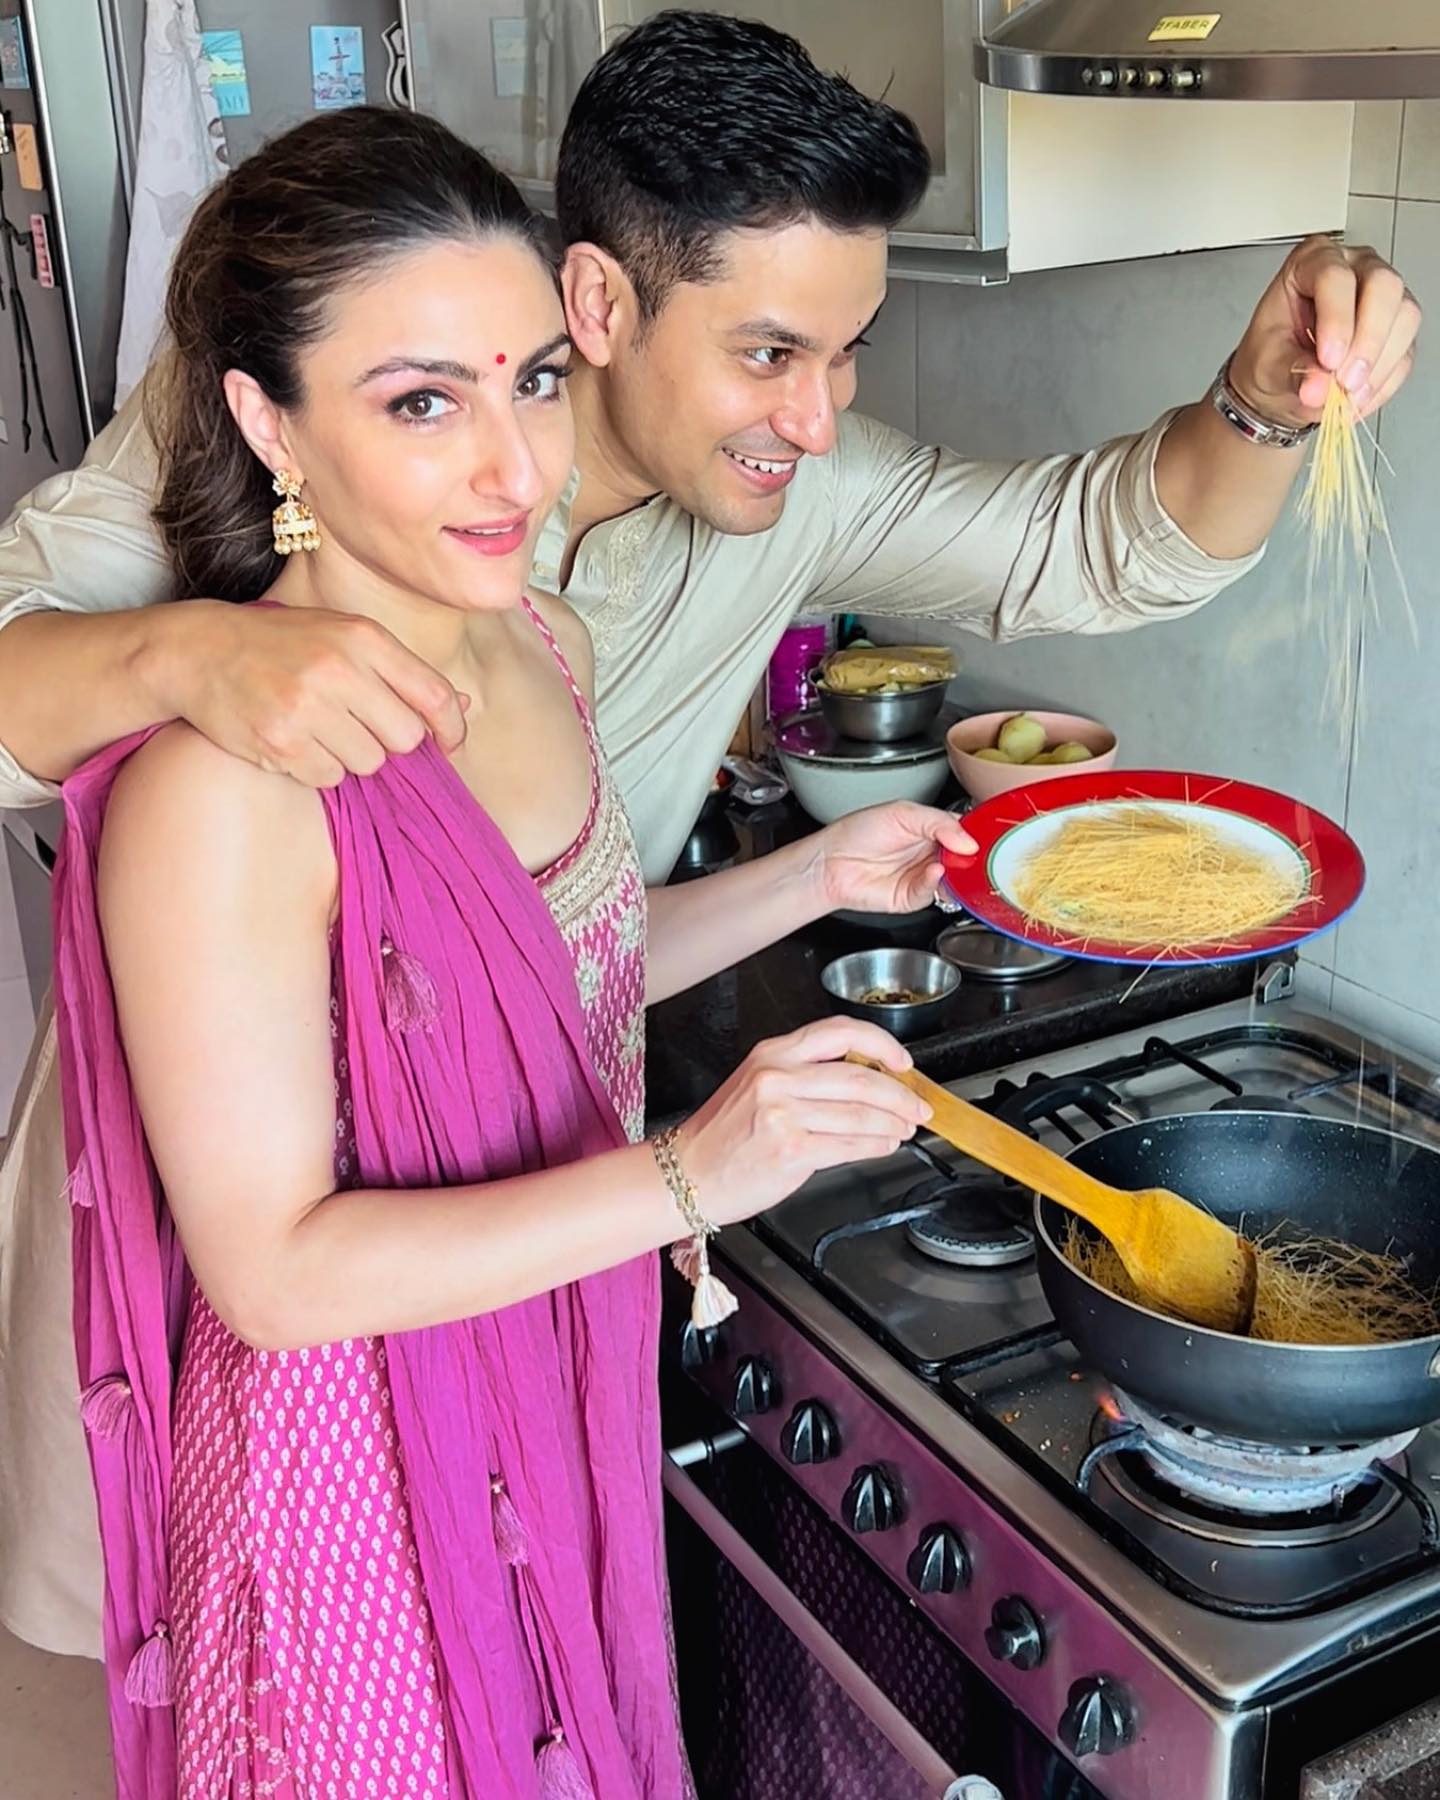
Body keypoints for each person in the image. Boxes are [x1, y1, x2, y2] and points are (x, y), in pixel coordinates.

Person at [0, 9, 1422, 1662]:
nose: (815, 420)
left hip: (521, 1247)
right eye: (767, 353)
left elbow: (1100, 544)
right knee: (227, 1654)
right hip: (246, 1224)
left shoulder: (729, 523)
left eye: (848, 353)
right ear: (600, 303)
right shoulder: (328, 416)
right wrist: (186, 654)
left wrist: (1262, 399)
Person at [56, 105, 970, 1796]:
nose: (516, 470)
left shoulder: (539, 641)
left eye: (535, 381)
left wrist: (822, 872)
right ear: (267, 420)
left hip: (555, 1356)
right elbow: (275, 1275)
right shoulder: (226, 791)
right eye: (423, 402)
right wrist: (693, 1173)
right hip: (355, 1481)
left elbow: (568, 974)